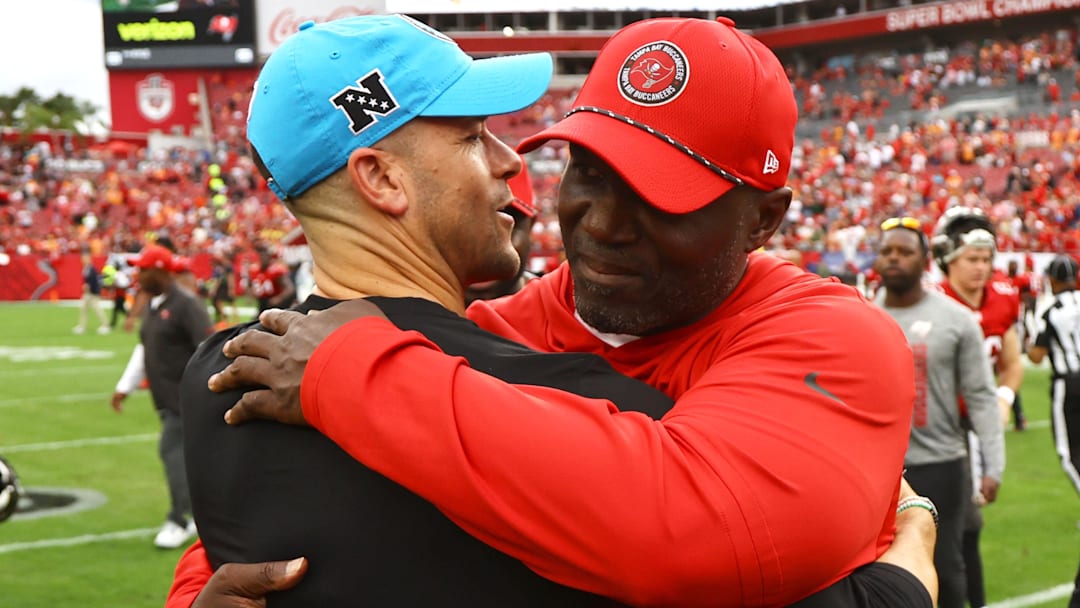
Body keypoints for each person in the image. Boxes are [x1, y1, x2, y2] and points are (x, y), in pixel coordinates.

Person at [174, 15, 936, 608]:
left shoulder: (833, 337)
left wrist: (348, 371)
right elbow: (285, 518)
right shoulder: (489, 342)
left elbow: (692, 532)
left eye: (660, 196)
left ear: (764, 221)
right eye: (589, 170)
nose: (600, 222)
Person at [873, 217, 1006, 608]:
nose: (894, 258)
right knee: (882, 571)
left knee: (946, 569)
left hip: (941, 463)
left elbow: (981, 395)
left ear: (926, 259)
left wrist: (993, 465)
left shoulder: (957, 319)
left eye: (904, 251)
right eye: (887, 251)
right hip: (881, 469)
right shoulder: (862, 315)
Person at [930, 206, 1022, 608]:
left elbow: (1013, 361)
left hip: (975, 422)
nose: (982, 268)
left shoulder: (1002, 298)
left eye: (987, 259)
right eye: (972, 259)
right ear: (947, 258)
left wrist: (1004, 397)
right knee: (949, 526)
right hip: (936, 427)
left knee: (970, 524)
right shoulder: (930, 303)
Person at [111, 243, 213, 549]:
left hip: (186, 399)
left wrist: (205, 394)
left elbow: (208, 349)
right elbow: (146, 349)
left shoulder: (186, 304)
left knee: (171, 453)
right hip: (168, 397)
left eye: (143, 268)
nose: (138, 274)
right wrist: (124, 387)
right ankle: (199, 514)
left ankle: (179, 519)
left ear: (159, 271)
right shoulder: (155, 306)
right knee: (187, 458)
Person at [1027, 254, 1080, 608]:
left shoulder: (1050, 310)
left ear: (1052, 280)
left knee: (1069, 454)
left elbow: (1035, 354)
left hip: (1069, 384)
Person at [464, 155, 540, 304]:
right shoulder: (407, 318)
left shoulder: (568, 313)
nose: (483, 243)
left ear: (530, 226)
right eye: (463, 220)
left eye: (506, 219)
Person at [73, 249, 110, 335]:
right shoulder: (86, 268)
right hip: (87, 293)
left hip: (92, 293)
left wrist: (90, 287)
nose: (83, 260)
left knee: (97, 309)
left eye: (85, 258)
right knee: (84, 309)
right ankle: (82, 326)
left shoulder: (91, 269)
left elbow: (94, 280)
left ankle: (105, 325)